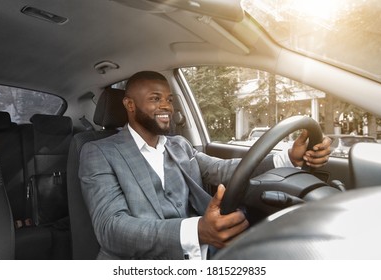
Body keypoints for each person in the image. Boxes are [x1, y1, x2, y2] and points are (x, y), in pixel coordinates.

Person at [79, 71, 331, 260]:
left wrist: (288, 157)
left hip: (199, 255)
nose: (166, 105)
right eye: (155, 99)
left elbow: (224, 170)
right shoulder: (98, 152)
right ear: (130, 105)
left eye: (168, 99)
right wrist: (196, 231)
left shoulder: (179, 145)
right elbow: (110, 228)